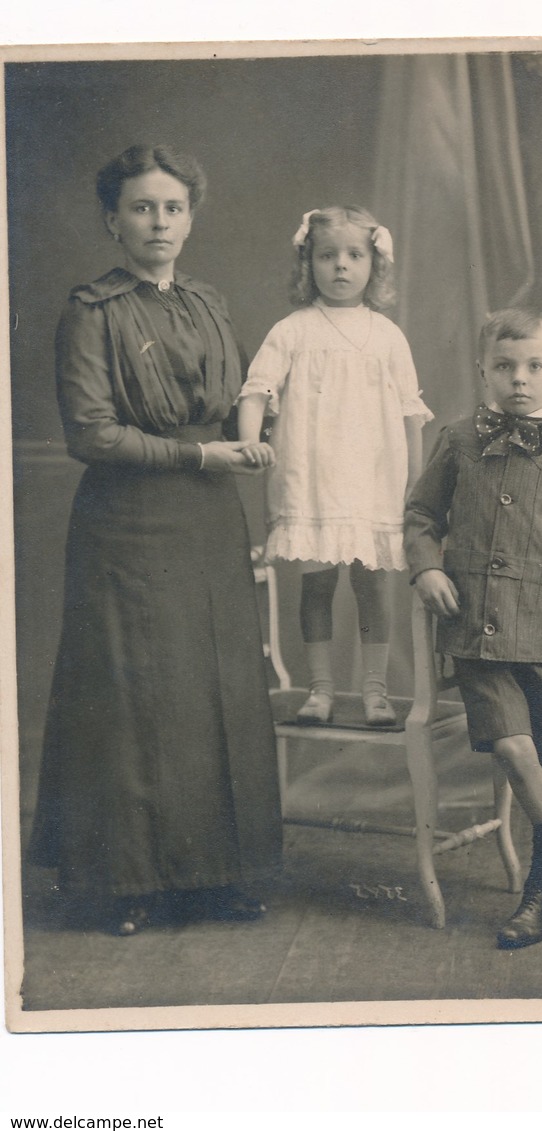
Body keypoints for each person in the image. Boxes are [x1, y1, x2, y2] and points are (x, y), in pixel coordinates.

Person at [29, 143, 282, 936]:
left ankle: (224, 873)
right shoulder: (91, 311)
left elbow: (242, 396)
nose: (159, 222)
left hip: (210, 519)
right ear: (113, 220)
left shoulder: (208, 302)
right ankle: (128, 881)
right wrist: (203, 453)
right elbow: (92, 434)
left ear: (190, 217)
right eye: (142, 207)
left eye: (173, 207)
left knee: (219, 692)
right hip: (127, 523)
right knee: (138, 696)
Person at [404, 308, 542, 949]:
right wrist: (426, 569)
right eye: (504, 366)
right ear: (483, 370)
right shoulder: (459, 440)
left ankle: (540, 896)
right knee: (514, 749)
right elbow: (419, 515)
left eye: (533, 367)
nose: (518, 380)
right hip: (478, 631)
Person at [237, 205, 433, 727]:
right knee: (317, 586)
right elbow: (256, 391)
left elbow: (412, 416)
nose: (341, 266)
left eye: (354, 255)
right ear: (309, 264)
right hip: (312, 480)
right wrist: (247, 444)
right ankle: (320, 690)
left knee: (372, 587)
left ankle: (375, 692)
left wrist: (414, 484)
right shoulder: (293, 330)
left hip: (371, 480)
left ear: (375, 264)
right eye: (327, 256)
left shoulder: (387, 335)